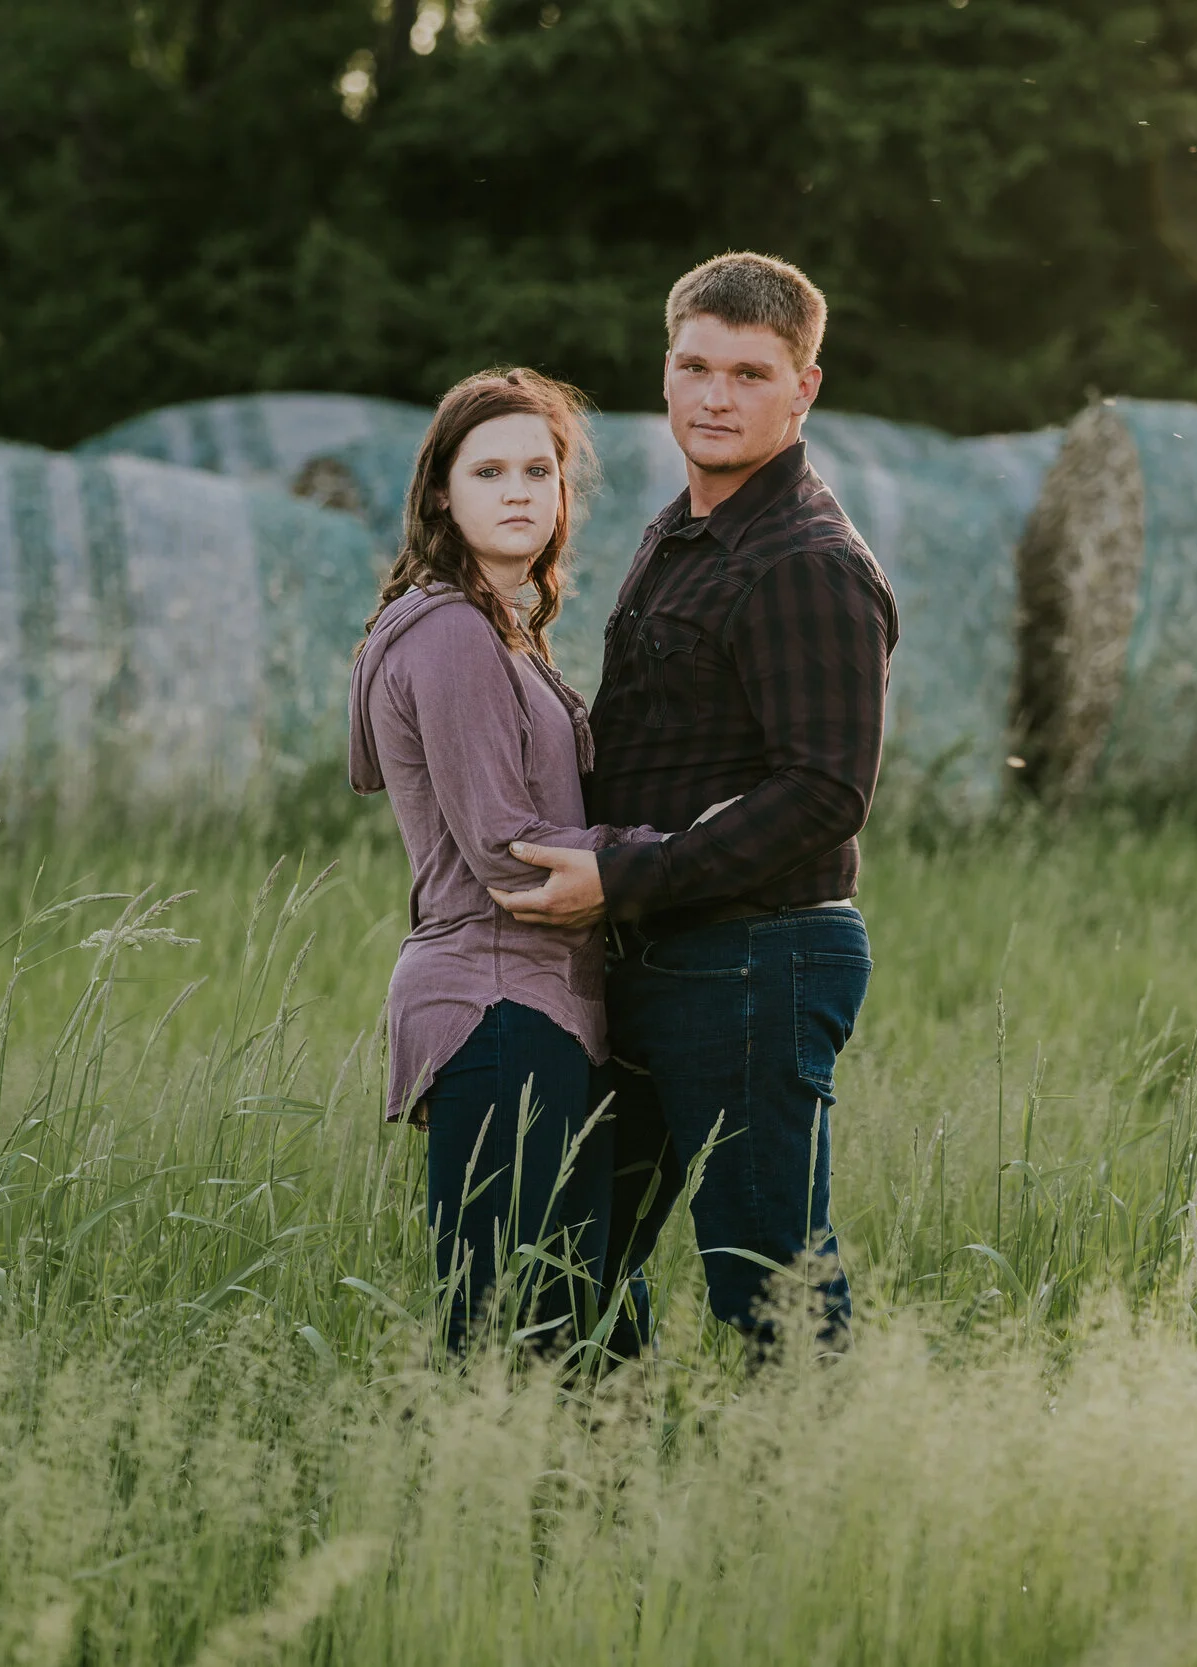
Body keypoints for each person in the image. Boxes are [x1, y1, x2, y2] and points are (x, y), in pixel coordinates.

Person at [494, 253, 896, 1358]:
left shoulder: (805, 560)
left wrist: (624, 877)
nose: (716, 397)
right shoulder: (680, 532)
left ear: (804, 388)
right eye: (694, 367)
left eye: (750, 374)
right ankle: (597, 1459)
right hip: (657, 950)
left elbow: (825, 790)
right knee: (566, 1257)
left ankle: (814, 1468)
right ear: (665, 370)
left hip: (755, 958)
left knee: (768, 1281)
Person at [347, 367, 656, 1357]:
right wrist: (676, 856)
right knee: (510, 1331)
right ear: (441, 491)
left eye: (538, 470)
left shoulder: (504, 632)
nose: (518, 491)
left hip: (545, 1007)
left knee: (584, 1330)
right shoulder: (449, 631)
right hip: (494, 1002)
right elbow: (507, 852)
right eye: (488, 471)